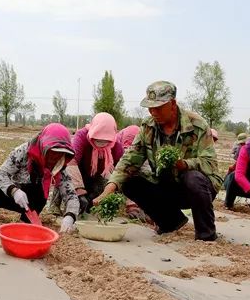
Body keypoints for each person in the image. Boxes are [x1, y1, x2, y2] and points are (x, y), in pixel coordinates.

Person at [94, 81, 221, 242]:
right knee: (129, 181)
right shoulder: (148, 127)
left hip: (197, 189)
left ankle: (206, 235)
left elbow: (209, 162)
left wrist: (184, 164)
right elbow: (129, 160)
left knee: (192, 178)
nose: (153, 112)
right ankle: (171, 222)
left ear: (172, 104)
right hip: (166, 183)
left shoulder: (198, 125)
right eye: (150, 108)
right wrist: (109, 190)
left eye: (158, 108)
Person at [0, 123, 79, 234]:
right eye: (52, 152)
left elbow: (71, 195)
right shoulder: (24, 152)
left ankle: (26, 220)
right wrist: (14, 191)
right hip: (13, 192)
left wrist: (70, 216)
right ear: (44, 146)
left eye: (60, 154)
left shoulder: (59, 164)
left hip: (33, 200)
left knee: (39, 193)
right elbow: (1, 174)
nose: (54, 158)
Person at [65, 113, 124, 214]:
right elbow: (71, 161)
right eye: (98, 139)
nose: (101, 143)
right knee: (64, 176)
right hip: (78, 172)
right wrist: (79, 190)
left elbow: (123, 170)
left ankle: (88, 206)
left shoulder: (116, 145)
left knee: (103, 189)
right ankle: (56, 208)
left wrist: (129, 203)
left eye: (105, 140)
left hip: (95, 176)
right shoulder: (82, 136)